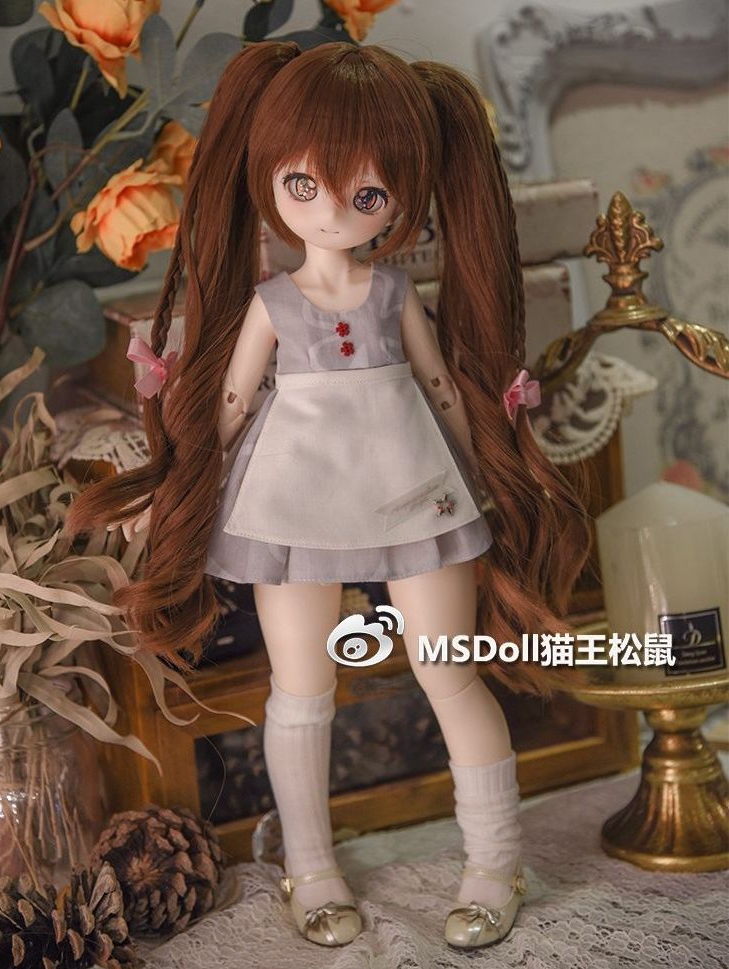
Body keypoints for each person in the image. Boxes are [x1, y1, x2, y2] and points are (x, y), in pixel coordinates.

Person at [66, 41, 591, 950]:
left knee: (448, 670)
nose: (333, 211)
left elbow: (439, 387)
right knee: (302, 691)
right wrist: (182, 479)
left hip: (413, 492)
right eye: (303, 185)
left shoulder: (393, 292)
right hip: (295, 501)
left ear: (401, 200)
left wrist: (488, 473)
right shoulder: (273, 302)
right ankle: (311, 868)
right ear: (270, 180)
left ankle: (495, 860)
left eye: (368, 194)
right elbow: (232, 402)